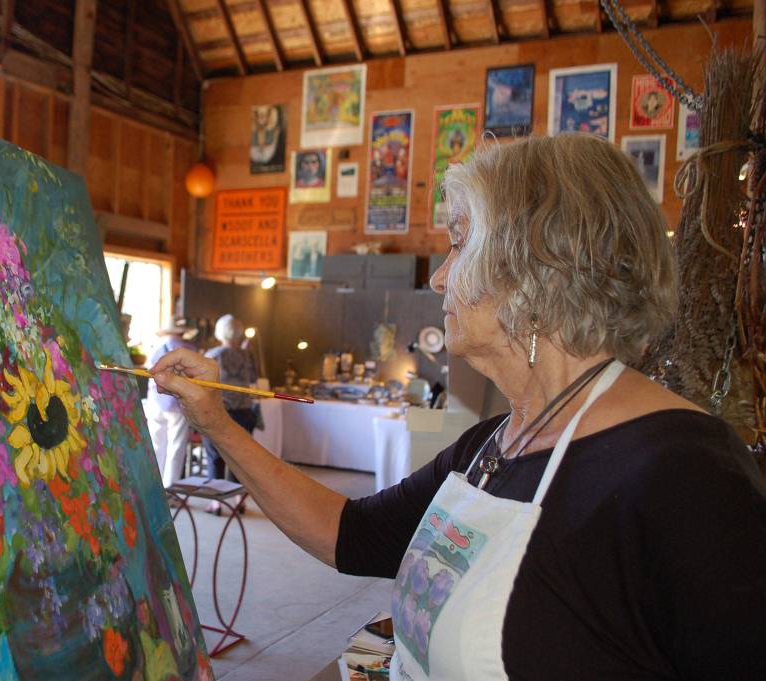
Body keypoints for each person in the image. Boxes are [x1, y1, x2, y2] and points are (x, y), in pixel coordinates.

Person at [151, 134, 766, 680]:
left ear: (536, 269)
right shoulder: (495, 443)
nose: (441, 278)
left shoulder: (686, 478)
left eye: (459, 245)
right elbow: (352, 536)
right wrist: (218, 424)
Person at [202, 314, 258, 515]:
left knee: (215, 457)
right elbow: (253, 378)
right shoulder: (246, 355)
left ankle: (216, 503)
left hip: (220, 411)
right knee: (240, 458)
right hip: (244, 412)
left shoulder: (213, 354)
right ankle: (239, 500)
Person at [143, 319, 196, 487]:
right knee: (176, 447)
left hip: (156, 401)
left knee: (157, 445)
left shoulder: (156, 348)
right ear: (181, 332)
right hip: (178, 404)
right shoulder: (190, 350)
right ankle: (170, 488)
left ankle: (155, 486)